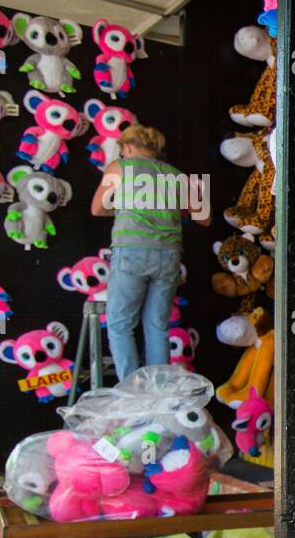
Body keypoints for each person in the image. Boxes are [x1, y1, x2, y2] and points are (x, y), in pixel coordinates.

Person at [90, 125, 210, 381]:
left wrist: (125, 208)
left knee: (121, 325)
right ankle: (160, 392)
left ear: (127, 146)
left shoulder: (119, 167)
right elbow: (205, 219)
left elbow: (97, 209)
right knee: (157, 327)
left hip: (132, 251)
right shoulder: (176, 175)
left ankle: (133, 391)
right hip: (168, 256)